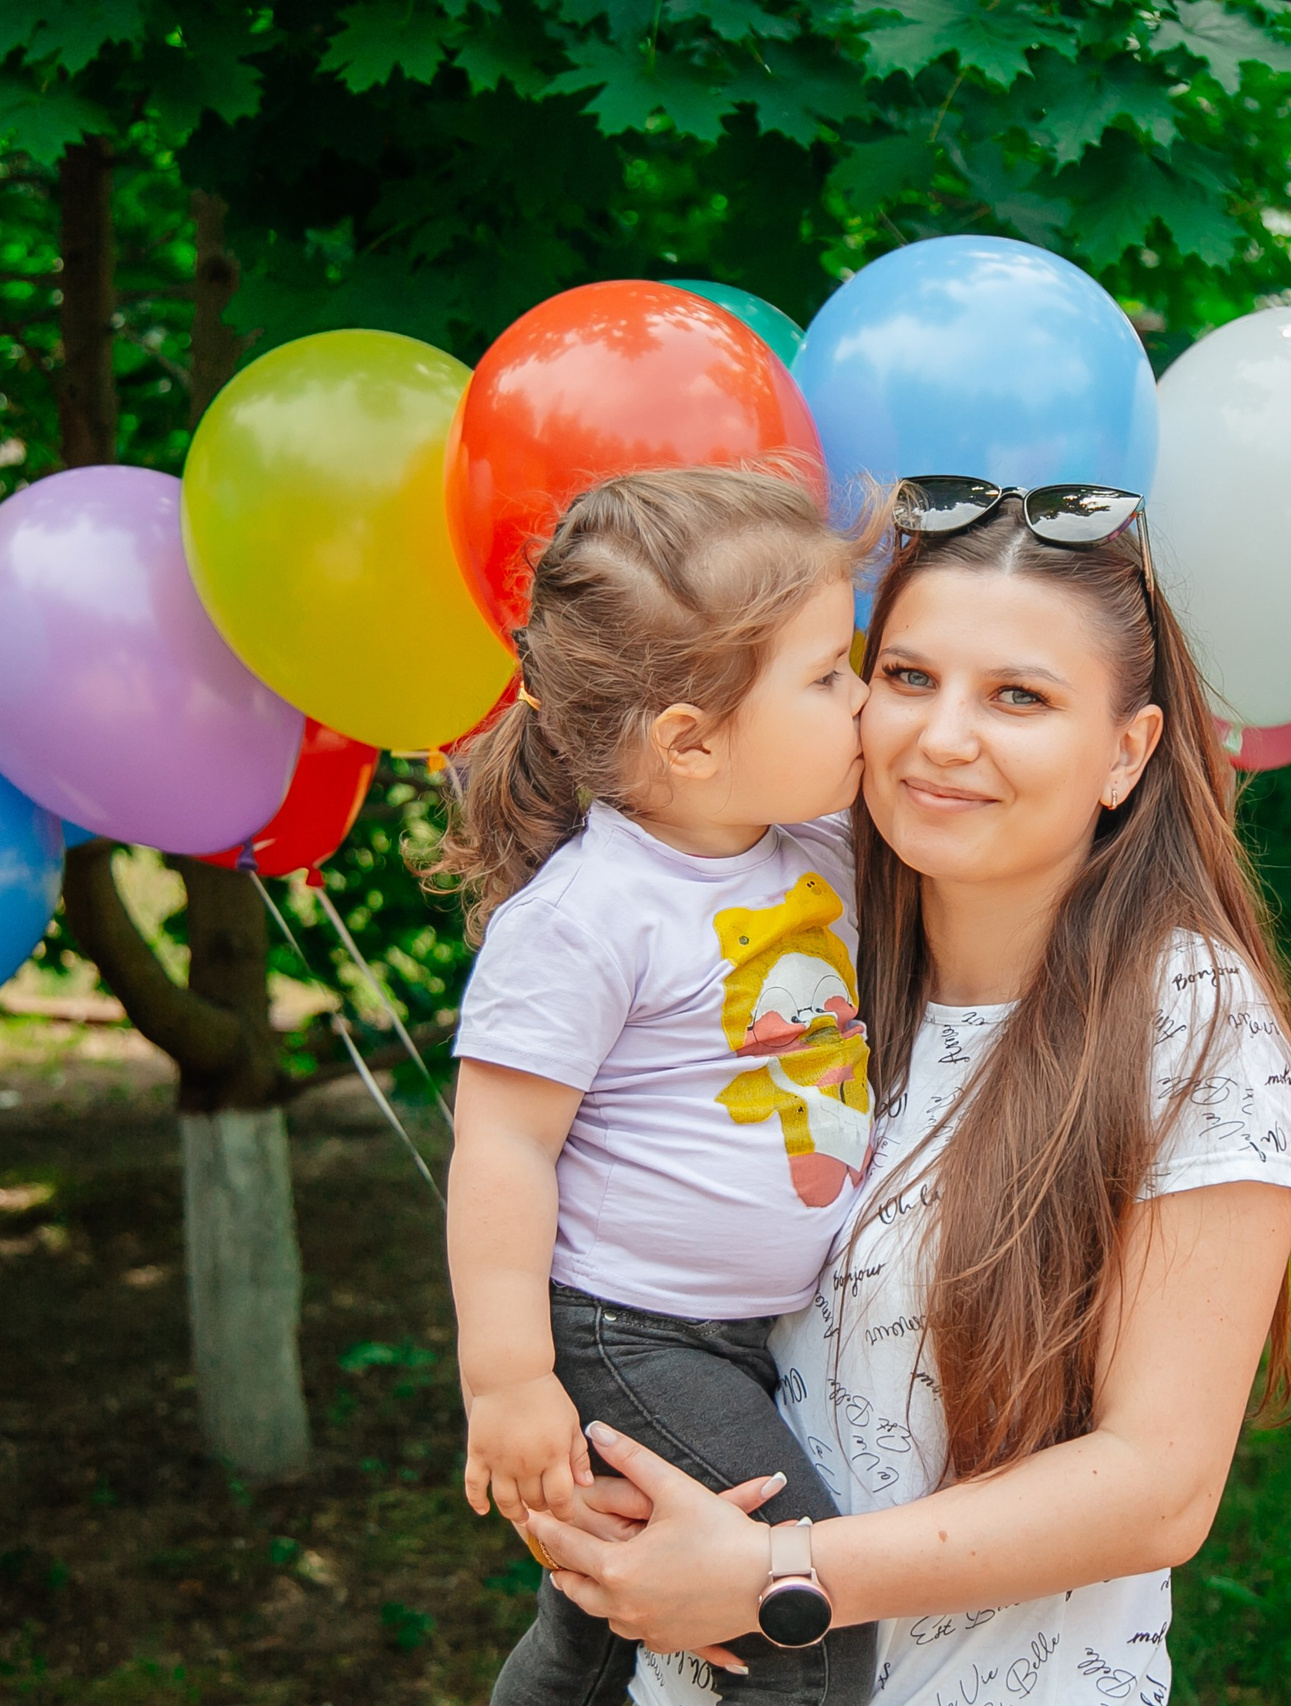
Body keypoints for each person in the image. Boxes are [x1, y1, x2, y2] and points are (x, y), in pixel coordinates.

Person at [521, 479, 1291, 1703]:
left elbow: (1158, 1483)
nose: (942, 736)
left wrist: (775, 1573)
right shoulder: (798, 957)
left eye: (1018, 696)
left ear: (1127, 751)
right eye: (905, 676)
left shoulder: (1185, 1018)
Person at [434, 465, 882, 1704]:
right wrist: (508, 1378)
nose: (863, 699)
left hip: (740, 1334)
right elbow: (503, 1146)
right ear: (689, 740)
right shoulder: (587, 916)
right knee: (800, 1623)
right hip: (629, 1330)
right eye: (827, 676)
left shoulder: (818, 844)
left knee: (593, 1625)